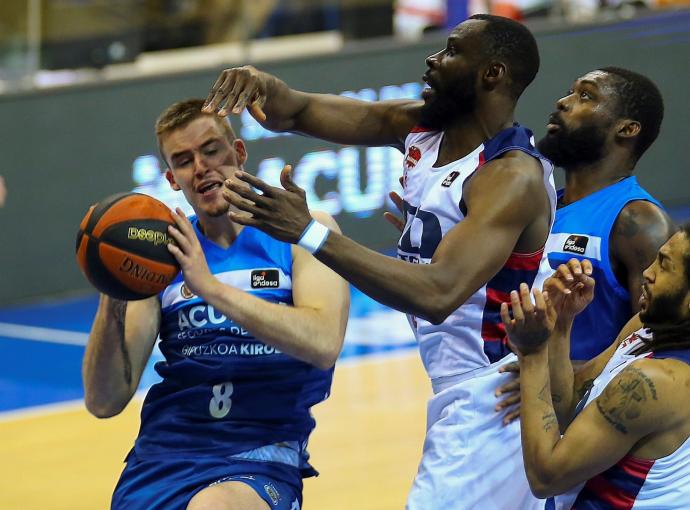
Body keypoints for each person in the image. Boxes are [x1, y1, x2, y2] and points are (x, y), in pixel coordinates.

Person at [204, 14, 554, 509]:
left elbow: (437, 294)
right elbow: (295, 111)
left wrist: (308, 231)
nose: (433, 59)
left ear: (491, 74)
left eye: (452, 51)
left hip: (494, 393)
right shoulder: (420, 130)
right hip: (460, 389)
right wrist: (261, 83)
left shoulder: (510, 175)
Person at [82, 99, 349, 510]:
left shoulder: (302, 232)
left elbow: (323, 341)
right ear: (172, 179)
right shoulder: (163, 257)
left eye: (211, 150)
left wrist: (210, 287)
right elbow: (104, 401)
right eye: (184, 160)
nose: (202, 167)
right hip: (163, 454)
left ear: (239, 153)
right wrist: (112, 294)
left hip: (259, 453)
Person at [502, 225, 690, 509]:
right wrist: (562, 323)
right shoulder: (646, 329)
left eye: (664, 266)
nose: (648, 273)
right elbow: (569, 409)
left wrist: (533, 354)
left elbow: (545, 477)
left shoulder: (660, 382)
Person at [539, 67, 675, 361]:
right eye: (570, 91)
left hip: (586, 403)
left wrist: (563, 379)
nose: (563, 101)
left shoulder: (640, 221)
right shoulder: (541, 206)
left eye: (585, 95)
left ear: (627, 128)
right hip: (514, 394)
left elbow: (657, 343)